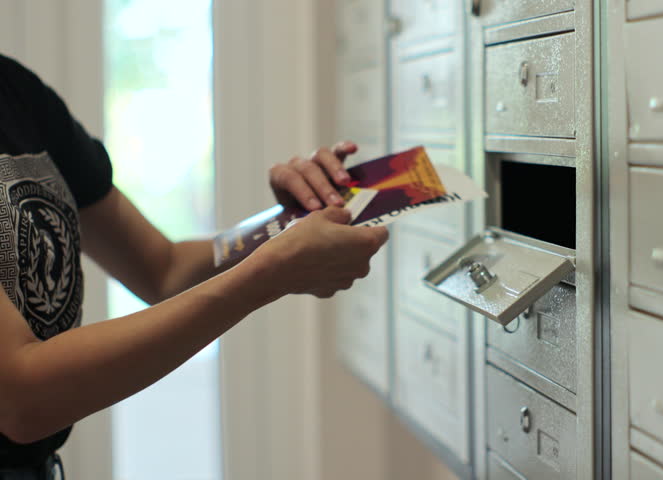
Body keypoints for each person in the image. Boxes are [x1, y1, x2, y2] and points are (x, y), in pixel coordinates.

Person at [0, 53, 387, 479]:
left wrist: (292, 220)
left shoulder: (16, 91)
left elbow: (164, 269)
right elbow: (22, 399)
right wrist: (271, 273)